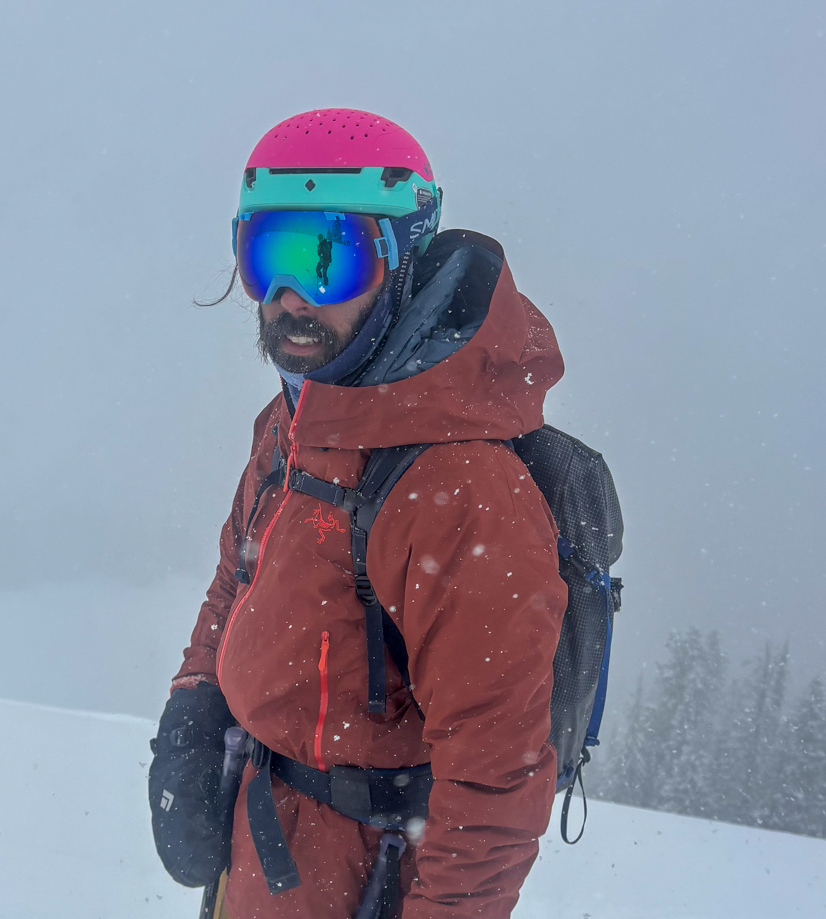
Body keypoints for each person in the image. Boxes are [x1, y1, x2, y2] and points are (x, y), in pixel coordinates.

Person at [150, 109, 569, 919]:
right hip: (265, 844)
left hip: (370, 873)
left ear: (400, 259)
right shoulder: (292, 423)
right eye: (266, 257)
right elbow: (237, 577)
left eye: (327, 259)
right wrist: (195, 703)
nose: (289, 298)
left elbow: (493, 791)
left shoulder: (462, 485)